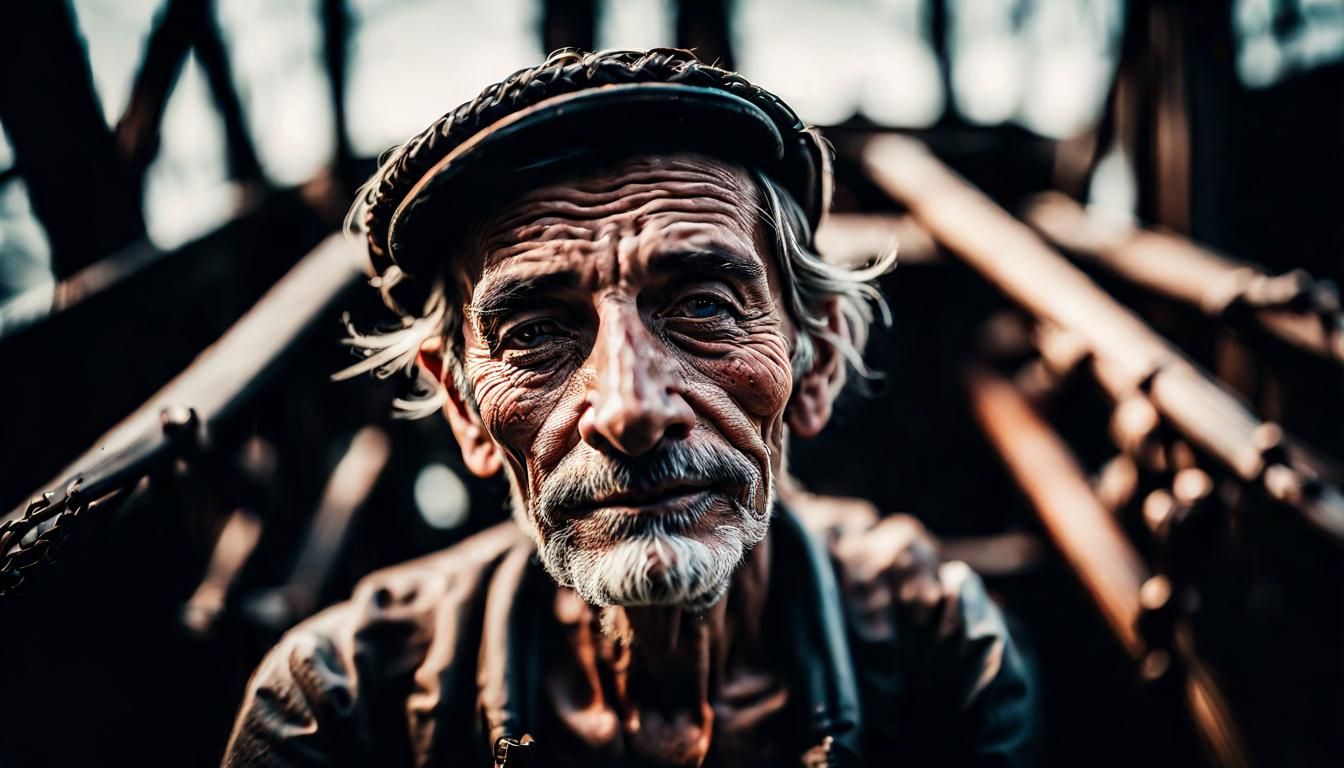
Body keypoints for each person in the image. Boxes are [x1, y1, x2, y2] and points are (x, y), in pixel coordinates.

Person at [223, 48, 1036, 767]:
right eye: (537, 333)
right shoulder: (339, 708)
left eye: (705, 306)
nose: (628, 409)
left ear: (813, 360)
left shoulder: (940, 647)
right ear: (465, 410)